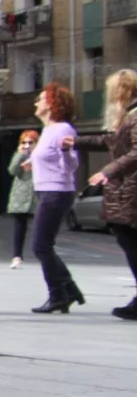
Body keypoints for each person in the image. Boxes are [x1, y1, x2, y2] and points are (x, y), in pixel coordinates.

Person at [77, 69, 137, 319]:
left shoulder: (135, 116)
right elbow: (109, 141)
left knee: (130, 241)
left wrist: (107, 171)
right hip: (125, 190)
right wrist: (75, 141)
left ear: (122, 91)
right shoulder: (128, 117)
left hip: (130, 190)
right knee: (128, 240)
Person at [24, 83, 82, 313]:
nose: (36, 102)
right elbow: (48, 156)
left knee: (40, 245)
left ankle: (59, 294)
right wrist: (31, 161)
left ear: (51, 103)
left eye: (40, 98)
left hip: (56, 191)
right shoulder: (48, 130)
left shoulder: (62, 129)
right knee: (43, 245)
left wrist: (66, 152)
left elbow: (71, 165)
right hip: (47, 191)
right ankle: (68, 291)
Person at [6, 130, 38, 270]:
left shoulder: (41, 155)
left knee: (41, 225)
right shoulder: (19, 155)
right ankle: (16, 256)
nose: (27, 145)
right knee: (19, 226)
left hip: (37, 194)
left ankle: (43, 253)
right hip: (21, 194)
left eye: (30, 142)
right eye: (24, 142)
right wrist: (20, 155)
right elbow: (12, 171)